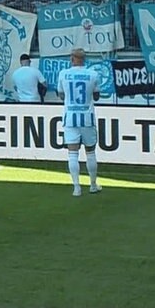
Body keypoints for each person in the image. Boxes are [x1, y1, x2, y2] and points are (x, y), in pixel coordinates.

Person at [57, 48, 103, 197]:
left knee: (72, 153)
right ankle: (93, 184)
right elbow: (96, 96)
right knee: (90, 152)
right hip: (87, 117)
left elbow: (61, 95)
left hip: (70, 117)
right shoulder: (93, 74)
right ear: (85, 59)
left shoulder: (63, 74)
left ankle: (76, 187)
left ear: (72, 58)